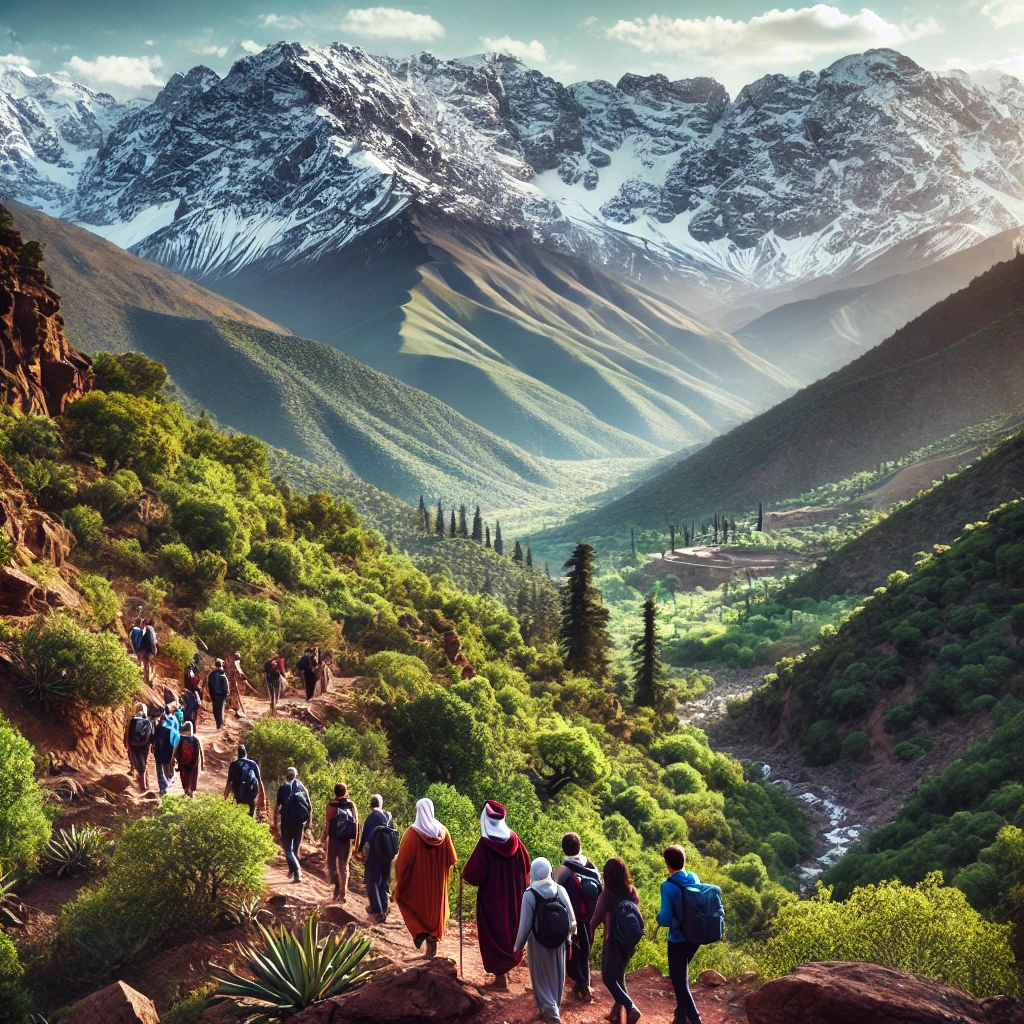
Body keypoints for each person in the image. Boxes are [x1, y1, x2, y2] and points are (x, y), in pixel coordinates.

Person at [462, 800, 531, 990]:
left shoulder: (486, 845)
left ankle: (501, 980)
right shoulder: (515, 841)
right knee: (509, 930)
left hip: (492, 899)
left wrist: (464, 875)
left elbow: (473, 876)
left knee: (495, 932)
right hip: (515, 897)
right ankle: (504, 976)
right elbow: (527, 864)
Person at [513, 857, 576, 1024]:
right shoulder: (560, 890)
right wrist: (568, 939)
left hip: (538, 942)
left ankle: (550, 1012)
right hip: (559, 941)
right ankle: (554, 1007)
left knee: (541, 976)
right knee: (556, 975)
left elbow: (525, 925)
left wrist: (517, 946)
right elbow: (572, 921)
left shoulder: (530, 894)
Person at [394, 797, 458, 958]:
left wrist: (401, 881)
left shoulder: (412, 834)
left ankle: (421, 933)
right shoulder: (443, 832)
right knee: (435, 912)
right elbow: (452, 859)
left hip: (419, 884)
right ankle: (432, 943)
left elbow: (402, 863)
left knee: (406, 901)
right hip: (438, 884)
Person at [592, 858, 643, 1024]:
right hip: (629, 941)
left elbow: (594, 922)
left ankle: (630, 1007)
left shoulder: (607, 895)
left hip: (613, 941)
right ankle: (617, 1014)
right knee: (619, 976)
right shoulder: (632, 892)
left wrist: (586, 940)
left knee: (608, 978)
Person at [656, 845, 703, 1024]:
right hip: (695, 936)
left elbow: (665, 919)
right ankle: (680, 1017)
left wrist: (658, 917)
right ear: (684, 860)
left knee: (679, 982)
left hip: (678, 939)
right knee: (681, 977)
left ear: (667, 864)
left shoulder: (667, 886)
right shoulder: (694, 877)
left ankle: (695, 1019)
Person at [554, 832, 602, 1003]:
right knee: (585, 949)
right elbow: (600, 890)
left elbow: (555, 892)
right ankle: (584, 986)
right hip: (588, 918)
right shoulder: (591, 867)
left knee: (572, 951)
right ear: (580, 846)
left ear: (563, 849)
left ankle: (578, 985)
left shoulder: (564, 870)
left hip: (570, 919)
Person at [359, 794, 395, 921]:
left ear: (371, 804)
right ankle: (384, 907)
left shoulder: (372, 817)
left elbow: (366, 836)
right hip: (388, 854)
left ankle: (377, 910)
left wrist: (361, 851)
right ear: (381, 804)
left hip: (375, 853)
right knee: (383, 881)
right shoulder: (388, 816)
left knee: (372, 880)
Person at [323, 783, 359, 902]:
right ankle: (342, 894)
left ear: (335, 792)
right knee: (344, 867)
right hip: (346, 840)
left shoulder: (331, 805)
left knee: (331, 865)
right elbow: (356, 825)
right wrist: (356, 843)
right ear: (345, 791)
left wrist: (323, 839)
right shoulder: (351, 804)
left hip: (334, 840)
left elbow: (328, 825)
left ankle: (337, 886)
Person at [274, 766, 311, 882]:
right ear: (296, 775)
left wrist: (275, 822)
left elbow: (277, 806)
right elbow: (309, 806)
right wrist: (308, 822)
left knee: (287, 849)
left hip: (286, 822)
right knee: (295, 848)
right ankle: (293, 871)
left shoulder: (283, 787)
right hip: (299, 822)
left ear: (287, 775)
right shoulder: (302, 788)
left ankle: (297, 871)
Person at [225, 743, 266, 817]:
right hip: (251, 793)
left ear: (237, 754)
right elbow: (259, 781)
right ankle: (251, 818)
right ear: (246, 754)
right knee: (252, 808)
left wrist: (225, 799)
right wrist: (263, 799)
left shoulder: (234, 764)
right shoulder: (253, 764)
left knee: (236, 812)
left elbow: (229, 783)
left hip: (238, 794)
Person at [124, 703, 153, 794]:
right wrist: (151, 744)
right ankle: (144, 785)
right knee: (144, 764)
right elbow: (151, 734)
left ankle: (140, 783)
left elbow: (128, 734)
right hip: (144, 746)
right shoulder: (147, 721)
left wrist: (128, 744)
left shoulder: (132, 721)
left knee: (136, 763)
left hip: (133, 745)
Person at [152, 706, 179, 798]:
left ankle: (162, 789)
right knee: (168, 772)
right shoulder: (171, 728)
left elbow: (153, 739)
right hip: (168, 754)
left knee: (160, 772)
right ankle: (166, 785)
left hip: (158, 753)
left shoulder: (158, 728)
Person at [173, 721, 204, 798]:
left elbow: (174, 749)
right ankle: (192, 791)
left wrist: (172, 759)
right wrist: (202, 764)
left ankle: (186, 790)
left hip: (182, 761)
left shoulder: (179, 738)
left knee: (184, 775)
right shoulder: (196, 739)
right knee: (193, 775)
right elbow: (201, 752)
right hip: (194, 761)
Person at [224, 651, 249, 719]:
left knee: (232, 694)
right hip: (233, 681)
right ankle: (236, 710)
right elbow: (239, 671)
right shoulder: (236, 663)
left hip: (230, 680)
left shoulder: (230, 663)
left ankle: (231, 707)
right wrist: (244, 676)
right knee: (235, 695)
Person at [206, 658, 230, 729]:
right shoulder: (223, 674)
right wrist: (226, 695)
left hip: (215, 695)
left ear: (215, 666)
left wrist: (211, 695)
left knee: (216, 710)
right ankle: (220, 724)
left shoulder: (212, 674)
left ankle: (218, 724)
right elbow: (226, 686)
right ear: (221, 665)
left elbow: (209, 685)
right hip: (222, 695)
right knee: (221, 709)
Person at [139, 618, 158, 685]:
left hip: (146, 650)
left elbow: (147, 640)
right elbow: (154, 641)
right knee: (147, 665)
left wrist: (148, 650)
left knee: (145, 665)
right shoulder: (151, 629)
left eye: (141, 623)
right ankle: (149, 681)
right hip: (151, 650)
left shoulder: (146, 629)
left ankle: (146, 681)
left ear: (144, 623)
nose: (140, 624)